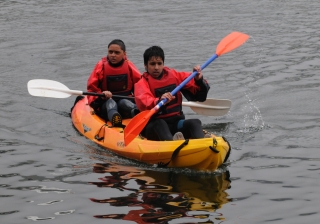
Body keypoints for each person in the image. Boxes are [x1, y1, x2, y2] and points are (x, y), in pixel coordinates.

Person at [134, 46, 210, 141]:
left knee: (195, 122)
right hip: (154, 126)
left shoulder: (174, 76)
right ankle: (173, 144)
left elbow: (198, 92)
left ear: (163, 64)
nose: (156, 67)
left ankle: (204, 144)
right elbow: (144, 101)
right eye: (152, 64)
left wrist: (198, 80)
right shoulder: (142, 83)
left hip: (175, 124)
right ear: (145, 65)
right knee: (160, 123)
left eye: (159, 63)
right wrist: (159, 100)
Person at [87, 39, 141, 127]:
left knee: (123, 102)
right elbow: (92, 89)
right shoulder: (101, 67)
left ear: (124, 54)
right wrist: (101, 95)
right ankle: (115, 118)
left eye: (117, 53)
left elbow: (140, 87)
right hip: (105, 103)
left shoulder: (129, 66)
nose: (113, 55)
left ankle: (138, 113)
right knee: (111, 102)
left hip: (125, 102)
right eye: (110, 52)